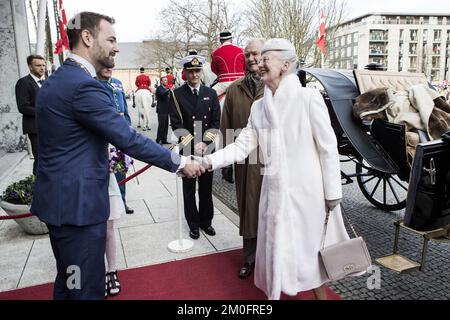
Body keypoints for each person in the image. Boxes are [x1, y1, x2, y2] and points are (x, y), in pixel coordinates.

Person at [30, 11, 204, 300]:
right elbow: (129, 138)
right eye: (110, 39)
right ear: (87, 38)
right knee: (84, 289)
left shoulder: (61, 78)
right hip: (78, 209)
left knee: (69, 282)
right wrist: (181, 162)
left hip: (62, 203)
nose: (117, 47)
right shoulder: (83, 85)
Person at [201, 39, 352, 300]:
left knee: (314, 259)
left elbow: (328, 148)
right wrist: (206, 162)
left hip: (309, 198)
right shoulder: (259, 107)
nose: (259, 64)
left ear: (285, 64)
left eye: (265, 58)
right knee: (277, 257)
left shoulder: (308, 98)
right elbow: (240, 147)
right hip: (273, 198)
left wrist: (332, 195)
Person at [220, 39, 265, 279]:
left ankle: (272, 261)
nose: (251, 58)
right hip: (245, 162)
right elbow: (227, 126)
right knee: (248, 212)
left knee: (271, 211)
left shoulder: (274, 87)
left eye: (256, 53)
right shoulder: (235, 89)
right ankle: (249, 258)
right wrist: (226, 162)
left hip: (271, 164)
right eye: (247, 55)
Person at [169, 54, 221, 240]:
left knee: (206, 189)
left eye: (197, 71)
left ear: (201, 71)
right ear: (185, 73)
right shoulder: (176, 95)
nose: (194, 75)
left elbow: (216, 122)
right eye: (190, 72)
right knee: (189, 190)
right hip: (187, 150)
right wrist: (192, 144)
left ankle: (206, 222)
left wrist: (205, 143)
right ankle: (193, 224)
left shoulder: (211, 93)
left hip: (206, 149)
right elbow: (176, 124)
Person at [97, 68, 135, 215]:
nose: (108, 69)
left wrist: (129, 126)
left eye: (110, 67)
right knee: (107, 169)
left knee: (120, 167)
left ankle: (122, 201)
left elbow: (124, 107)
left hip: (121, 129)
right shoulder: (95, 83)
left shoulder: (118, 83)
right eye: (104, 66)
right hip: (106, 130)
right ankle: (108, 203)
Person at [15, 55, 46, 175]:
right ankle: (36, 187)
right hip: (34, 128)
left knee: (48, 158)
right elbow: (22, 107)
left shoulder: (46, 82)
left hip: (48, 127)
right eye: (38, 65)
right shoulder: (23, 82)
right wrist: (43, 111)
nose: (42, 68)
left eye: (43, 65)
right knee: (39, 159)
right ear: (30, 67)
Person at [210, 31, 246, 107]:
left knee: (206, 97)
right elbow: (246, 67)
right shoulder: (241, 51)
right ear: (231, 39)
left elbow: (214, 69)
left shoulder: (215, 53)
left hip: (224, 83)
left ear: (220, 40)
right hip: (242, 82)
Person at [155, 76, 171, 145]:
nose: (166, 81)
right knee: (161, 125)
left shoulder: (165, 88)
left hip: (166, 110)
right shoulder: (159, 88)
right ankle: (158, 140)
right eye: (164, 80)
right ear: (161, 81)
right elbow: (163, 94)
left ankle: (164, 139)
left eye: (166, 80)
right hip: (161, 110)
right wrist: (169, 90)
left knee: (166, 126)